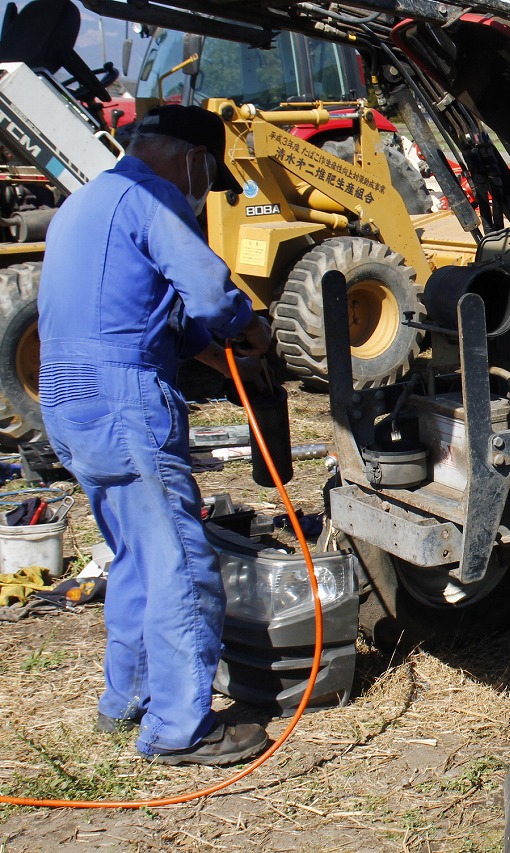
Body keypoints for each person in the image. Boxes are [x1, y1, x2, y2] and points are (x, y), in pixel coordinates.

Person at [38, 104, 273, 766]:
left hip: (68, 398)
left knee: (138, 554)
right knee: (179, 561)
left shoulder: (85, 203)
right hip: (123, 400)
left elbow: (151, 319)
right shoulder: (154, 197)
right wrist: (249, 326)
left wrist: (227, 362)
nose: (205, 192)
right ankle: (180, 728)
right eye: (209, 176)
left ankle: (128, 698)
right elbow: (209, 298)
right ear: (191, 158)